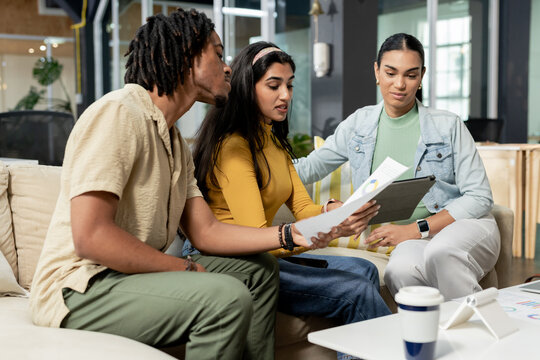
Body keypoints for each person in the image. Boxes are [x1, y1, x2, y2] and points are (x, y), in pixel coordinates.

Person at [29, 9, 338, 360]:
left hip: (124, 277)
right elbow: (91, 236)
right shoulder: (119, 113)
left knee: (259, 270)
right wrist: (183, 267)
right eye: (218, 54)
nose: (227, 68)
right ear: (181, 56)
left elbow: (206, 232)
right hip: (79, 287)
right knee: (225, 297)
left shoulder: (175, 143)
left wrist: (289, 234)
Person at [187, 41, 391, 360]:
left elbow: (304, 209)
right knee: (356, 291)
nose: (286, 95)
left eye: (290, 85)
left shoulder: (274, 142)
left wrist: (332, 211)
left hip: (264, 254)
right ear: (247, 86)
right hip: (238, 260)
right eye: (274, 85)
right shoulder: (233, 148)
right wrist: (329, 229)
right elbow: (258, 235)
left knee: (364, 269)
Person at [295, 33, 501, 300]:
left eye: (411, 75)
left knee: (442, 253)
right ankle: (432, 337)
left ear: (422, 76)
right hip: (414, 240)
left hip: (462, 225)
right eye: (391, 73)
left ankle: (478, 335)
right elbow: (309, 168)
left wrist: (415, 229)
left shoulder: (448, 125)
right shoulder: (358, 125)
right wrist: (259, 168)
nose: (400, 84)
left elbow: (480, 197)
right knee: (398, 271)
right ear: (377, 71)